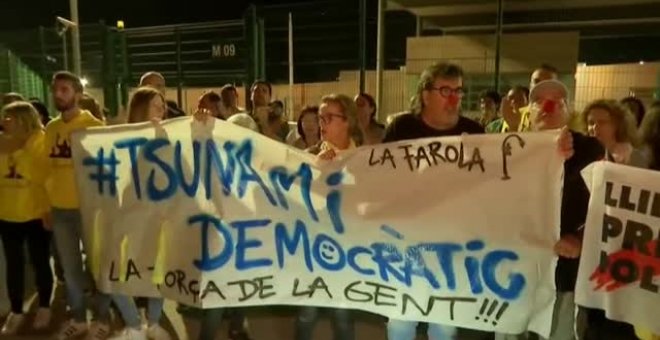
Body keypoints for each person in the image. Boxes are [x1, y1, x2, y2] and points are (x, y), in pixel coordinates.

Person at [383, 62, 483, 340]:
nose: (454, 98)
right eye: (445, 90)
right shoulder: (402, 128)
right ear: (425, 94)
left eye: (459, 91)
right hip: (406, 241)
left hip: (453, 244)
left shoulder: (475, 133)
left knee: (444, 325)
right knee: (401, 321)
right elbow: (376, 173)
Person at [526, 79, 598, 340]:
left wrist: (580, 239)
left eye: (558, 101)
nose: (548, 106)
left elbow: (604, 208)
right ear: (529, 110)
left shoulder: (590, 150)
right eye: (539, 100)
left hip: (564, 275)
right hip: (515, 274)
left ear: (568, 110)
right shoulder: (510, 150)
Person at [45, 71, 111, 340]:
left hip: (89, 209)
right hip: (59, 210)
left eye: (64, 89)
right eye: (55, 89)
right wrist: (45, 206)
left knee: (98, 267)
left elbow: (109, 168)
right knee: (70, 270)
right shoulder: (50, 129)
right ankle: (79, 318)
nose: (58, 94)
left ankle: (103, 318)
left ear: (77, 94)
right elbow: (45, 170)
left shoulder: (94, 126)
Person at [295, 94, 360, 340]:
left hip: (348, 254)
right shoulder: (310, 155)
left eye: (328, 118)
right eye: (320, 117)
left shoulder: (369, 158)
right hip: (313, 250)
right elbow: (294, 200)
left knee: (343, 318)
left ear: (348, 121)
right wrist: (314, 171)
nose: (321, 123)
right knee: (306, 315)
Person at [108, 87, 172, 340]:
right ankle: (133, 324)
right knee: (114, 272)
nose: (162, 110)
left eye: (162, 106)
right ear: (140, 108)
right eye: (156, 105)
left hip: (158, 218)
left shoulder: (168, 135)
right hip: (126, 218)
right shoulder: (120, 136)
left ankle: (153, 324)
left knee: (159, 273)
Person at [0, 102, 53, 334]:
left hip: (35, 213)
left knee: (40, 261)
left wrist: (16, 151)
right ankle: (16, 310)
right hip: (6, 214)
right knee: (14, 264)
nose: (4, 122)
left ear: (23, 119)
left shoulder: (40, 140)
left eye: (9, 118)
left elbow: (41, 175)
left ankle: (44, 306)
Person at [581, 99, 647, 167]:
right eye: (591, 123)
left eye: (602, 122)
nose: (594, 127)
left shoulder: (633, 156)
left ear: (617, 125)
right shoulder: (582, 153)